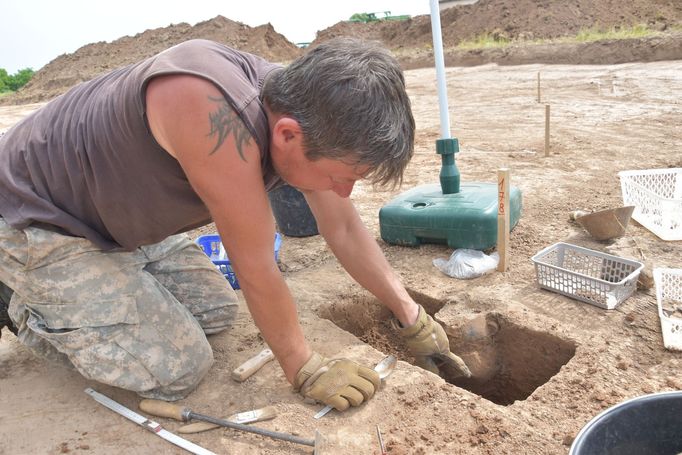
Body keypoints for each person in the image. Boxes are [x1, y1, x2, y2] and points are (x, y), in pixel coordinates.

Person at [0, 37, 470, 410]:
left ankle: (95, 291)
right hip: (39, 219)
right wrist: (304, 367)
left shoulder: (304, 107)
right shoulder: (212, 113)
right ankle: (24, 305)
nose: (342, 192)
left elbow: (344, 229)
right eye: (340, 177)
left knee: (216, 314)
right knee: (177, 369)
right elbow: (255, 265)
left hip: (121, 220)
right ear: (287, 134)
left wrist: (411, 316)